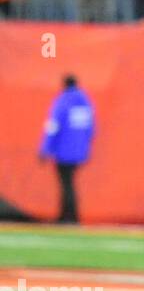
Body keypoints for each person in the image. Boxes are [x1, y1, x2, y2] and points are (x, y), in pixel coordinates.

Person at [39, 75, 96, 223]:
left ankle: (67, 217)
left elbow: (53, 126)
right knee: (70, 183)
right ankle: (71, 216)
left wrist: (45, 149)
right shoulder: (86, 103)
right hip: (79, 152)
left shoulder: (63, 101)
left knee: (66, 184)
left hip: (63, 151)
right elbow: (91, 129)